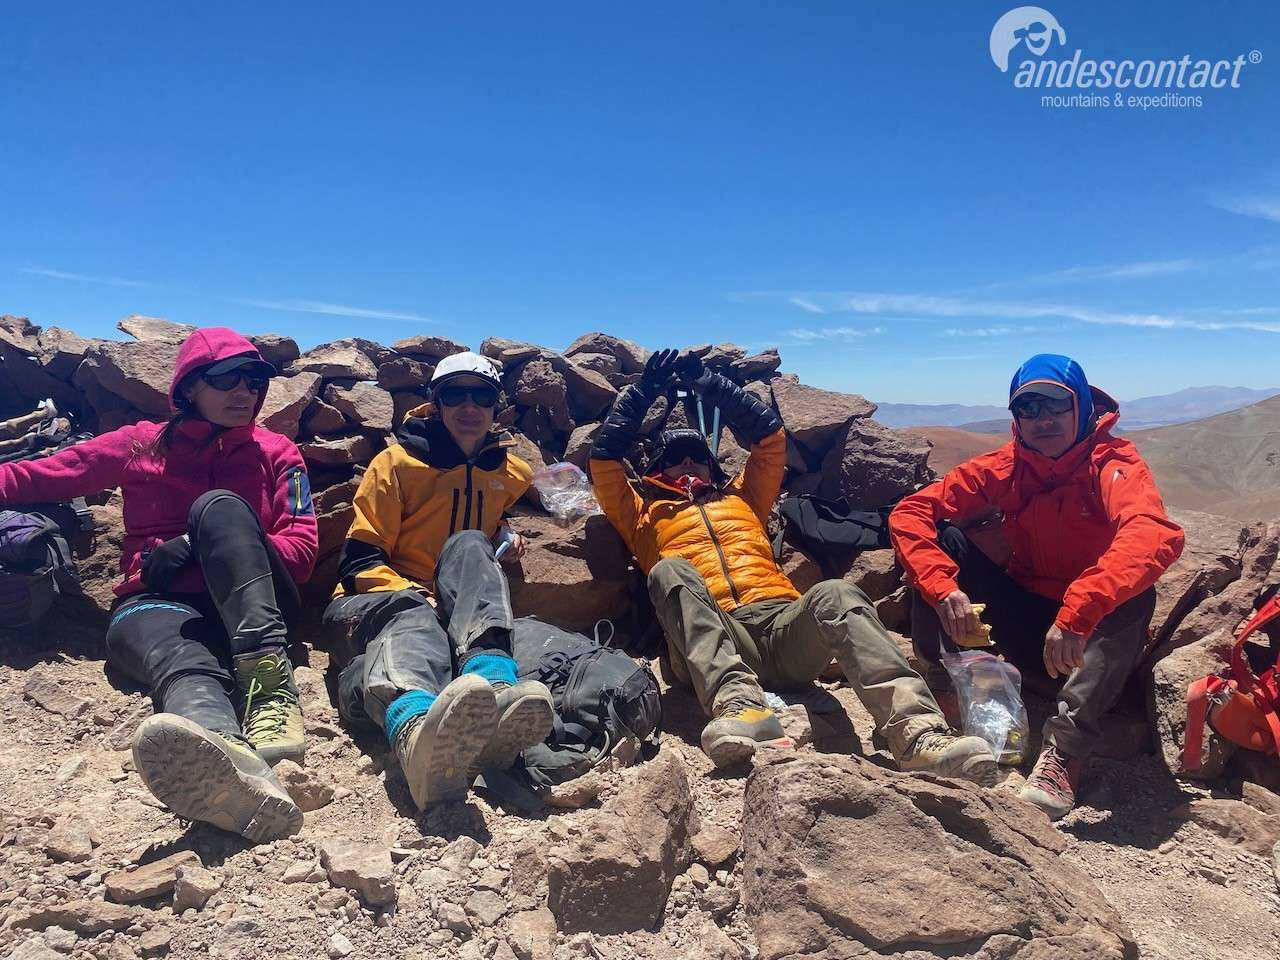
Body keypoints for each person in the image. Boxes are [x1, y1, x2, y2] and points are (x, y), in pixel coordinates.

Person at [589, 349, 996, 782]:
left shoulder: (744, 498)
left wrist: (710, 383)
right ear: (656, 471)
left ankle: (918, 735)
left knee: (836, 593)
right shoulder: (641, 514)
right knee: (670, 570)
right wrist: (645, 392)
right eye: (676, 459)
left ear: (711, 466)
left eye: (696, 457)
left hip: (783, 628)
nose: (688, 464)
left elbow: (770, 440)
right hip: (714, 636)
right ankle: (739, 705)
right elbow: (604, 459)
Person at [0, 327, 318, 842]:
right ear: (189, 388)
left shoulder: (276, 452)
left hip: (258, 604)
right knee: (184, 664)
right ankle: (229, 762)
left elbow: (301, 552)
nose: (245, 391)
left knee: (219, 510)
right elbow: (39, 476)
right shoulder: (140, 445)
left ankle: (268, 687)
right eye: (226, 378)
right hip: (156, 607)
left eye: (255, 378)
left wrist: (205, 544)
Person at [890, 353, 1184, 819]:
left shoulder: (1112, 463)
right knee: (944, 546)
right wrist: (943, 588)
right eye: (1028, 408)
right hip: (1027, 622)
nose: (1042, 419)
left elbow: (1151, 533)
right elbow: (911, 513)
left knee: (1134, 593)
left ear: (1082, 407)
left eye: (1056, 405)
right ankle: (946, 688)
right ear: (1016, 419)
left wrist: (1079, 612)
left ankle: (1065, 750)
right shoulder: (1006, 466)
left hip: (1083, 640)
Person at [322, 351, 555, 812]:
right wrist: (423, 601)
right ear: (436, 402)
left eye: (482, 396)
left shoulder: (512, 473)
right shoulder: (397, 463)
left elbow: (487, 509)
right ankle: (415, 736)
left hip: (452, 612)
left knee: (471, 545)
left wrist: (503, 529)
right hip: (375, 602)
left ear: (496, 406)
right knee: (414, 620)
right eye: (455, 395)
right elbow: (361, 557)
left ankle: (493, 692)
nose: (469, 407)